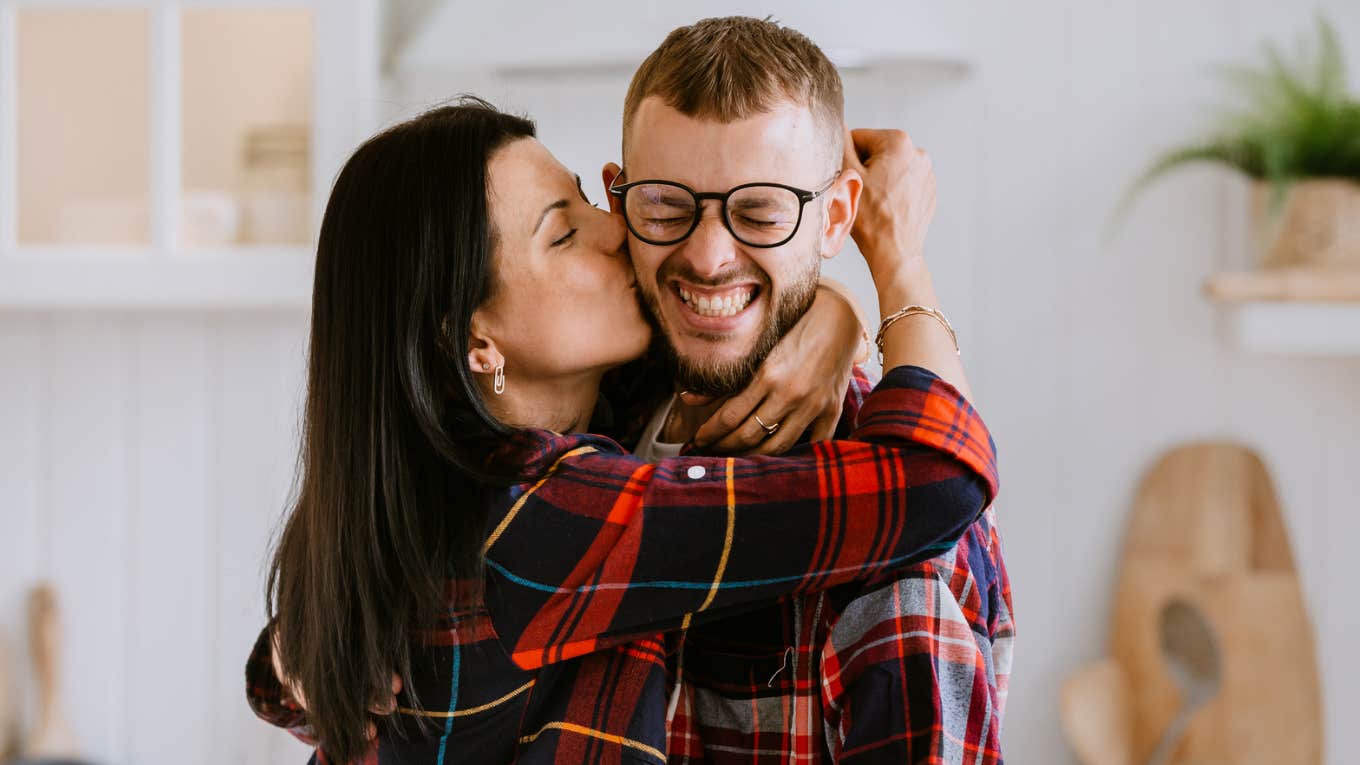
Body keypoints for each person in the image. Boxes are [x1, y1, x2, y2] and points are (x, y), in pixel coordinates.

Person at [245, 99, 996, 764]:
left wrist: (821, 310)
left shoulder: (458, 479)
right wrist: (897, 260)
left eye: (586, 198)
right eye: (563, 233)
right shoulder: (540, 516)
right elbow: (934, 480)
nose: (616, 232)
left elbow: (300, 680)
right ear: (474, 341)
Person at [601, 17, 1013, 764]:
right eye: (665, 206)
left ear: (836, 216)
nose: (708, 255)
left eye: (759, 212)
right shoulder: (582, 402)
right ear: (617, 199)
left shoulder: (898, 524)